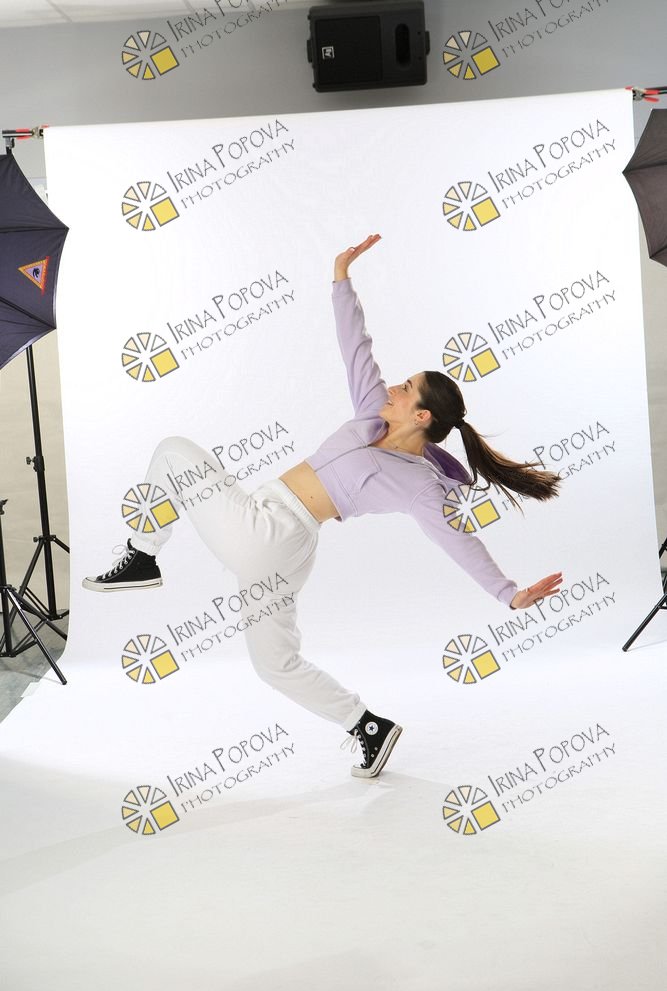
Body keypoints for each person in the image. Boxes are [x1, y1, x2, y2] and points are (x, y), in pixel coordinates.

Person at [83, 234, 561, 779]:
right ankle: (368, 727)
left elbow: (458, 541)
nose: (393, 387)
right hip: (284, 542)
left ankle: (142, 555)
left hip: (271, 531)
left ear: (422, 416)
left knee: (173, 452)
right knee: (275, 664)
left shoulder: (420, 485)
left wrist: (508, 594)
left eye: (406, 388)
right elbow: (356, 347)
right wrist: (341, 279)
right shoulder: (372, 414)